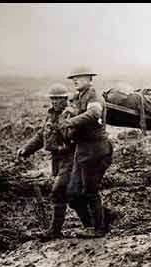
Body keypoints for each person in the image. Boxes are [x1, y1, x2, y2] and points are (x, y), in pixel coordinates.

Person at [16, 83, 89, 240]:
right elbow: (41, 135)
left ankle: (56, 230)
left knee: (59, 191)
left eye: (59, 99)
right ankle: (94, 223)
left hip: (73, 158)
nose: (55, 102)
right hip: (59, 160)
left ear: (65, 99)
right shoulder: (51, 115)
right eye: (53, 99)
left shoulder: (71, 114)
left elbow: (78, 136)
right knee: (71, 195)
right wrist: (26, 149)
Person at [58, 66, 114, 238]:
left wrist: (71, 122)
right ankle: (96, 223)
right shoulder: (78, 98)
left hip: (96, 150)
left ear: (90, 79)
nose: (75, 81)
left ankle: (98, 229)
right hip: (82, 150)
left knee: (90, 191)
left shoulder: (93, 96)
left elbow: (94, 112)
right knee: (73, 193)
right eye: (74, 78)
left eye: (80, 78)